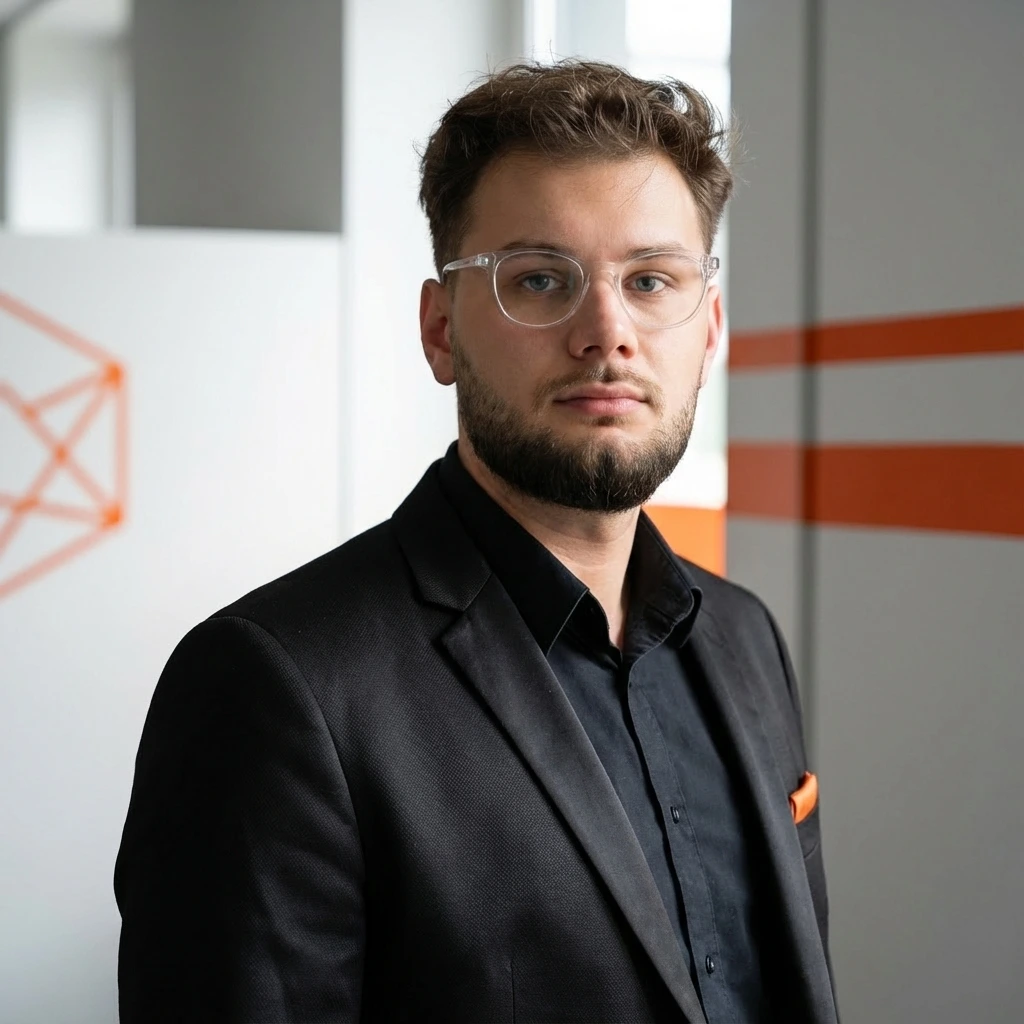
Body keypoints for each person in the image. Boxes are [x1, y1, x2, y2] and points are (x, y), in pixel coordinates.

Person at [114, 60, 838, 1024]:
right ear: (441, 330)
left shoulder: (744, 636)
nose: (607, 332)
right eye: (539, 279)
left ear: (707, 329)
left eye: (650, 280)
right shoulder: (275, 686)